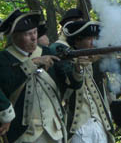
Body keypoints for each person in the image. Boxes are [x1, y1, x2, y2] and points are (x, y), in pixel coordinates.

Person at [0, 9, 83, 143]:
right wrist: (32, 63)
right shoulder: (4, 59)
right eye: (28, 34)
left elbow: (72, 84)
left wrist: (78, 69)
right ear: (14, 36)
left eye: (35, 32)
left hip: (54, 131)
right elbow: (8, 86)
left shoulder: (46, 51)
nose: (34, 38)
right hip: (23, 134)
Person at [50, 20, 115, 143]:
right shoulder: (64, 59)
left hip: (100, 125)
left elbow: (119, 67)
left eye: (95, 38)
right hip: (78, 128)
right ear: (77, 41)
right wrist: (78, 68)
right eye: (89, 38)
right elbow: (72, 84)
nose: (94, 42)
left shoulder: (94, 60)